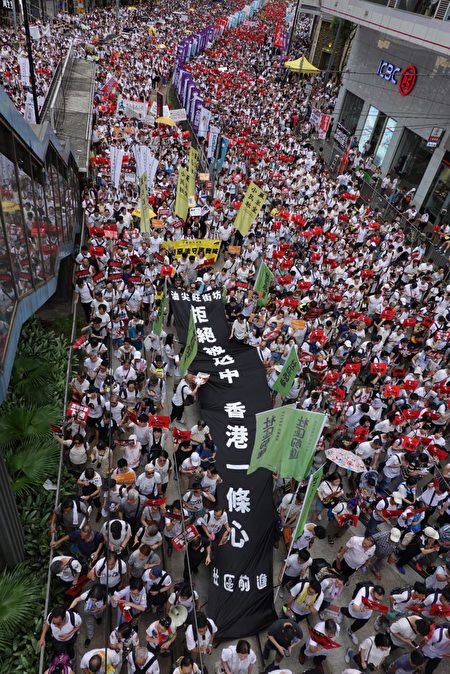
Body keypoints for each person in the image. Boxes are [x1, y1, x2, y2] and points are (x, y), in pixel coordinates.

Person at [69, 583, 108, 647]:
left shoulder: (105, 596)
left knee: (98, 615)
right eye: (92, 600)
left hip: (98, 610)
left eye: (97, 600)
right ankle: (89, 637)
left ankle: (97, 618)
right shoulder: (87, 595)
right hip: (88, 611)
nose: (94, 602)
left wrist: (100, 609)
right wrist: (69, 610)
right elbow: (76, 600)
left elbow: (107, 603)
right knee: (89, 624)